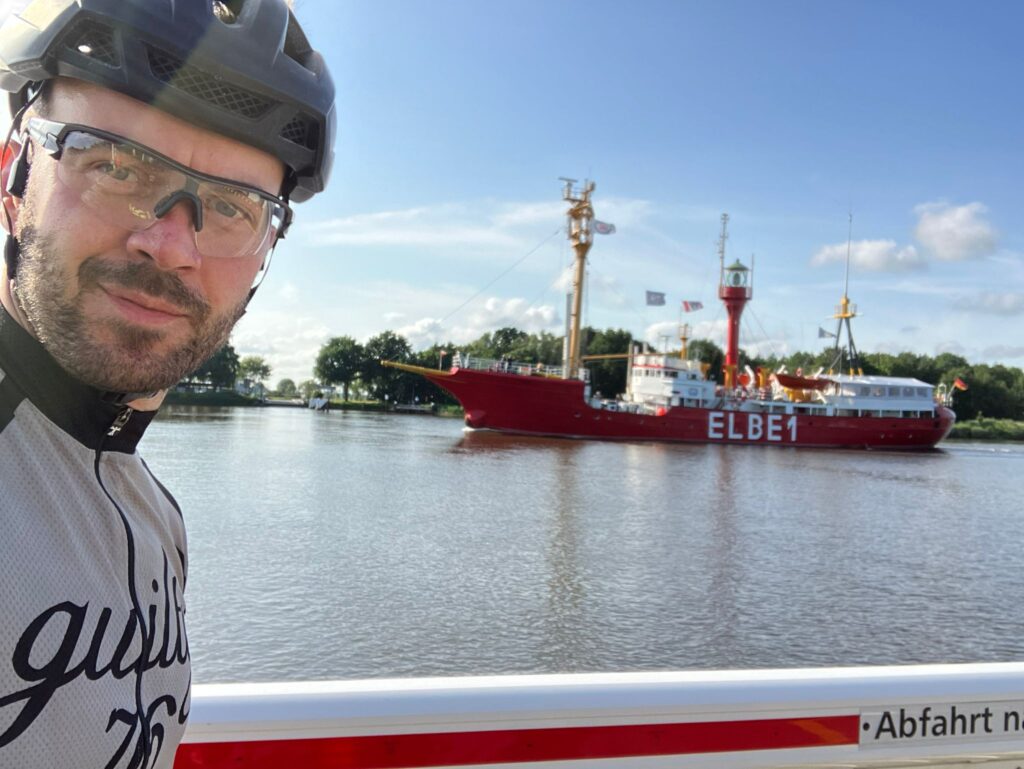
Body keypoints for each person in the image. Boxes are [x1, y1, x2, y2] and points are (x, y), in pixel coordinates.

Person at [0, 1, 334, 767]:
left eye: (232, 207)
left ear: (265, 256)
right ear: (12, 176)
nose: (171, 244)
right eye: (115, 166)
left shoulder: (157, 516)